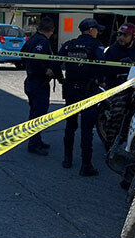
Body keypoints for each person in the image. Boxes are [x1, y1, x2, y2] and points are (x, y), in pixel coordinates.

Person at [57, 18, 106, 176]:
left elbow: (55, 61)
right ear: (91, 29)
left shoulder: (70, 44)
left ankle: (67, 159)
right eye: (96, 29)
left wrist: (61, 79)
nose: (97, 32)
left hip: (71, 89)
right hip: (88, 92)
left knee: (70, 126)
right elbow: (102, 63)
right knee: (87, 129)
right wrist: (102, 80)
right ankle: (86, 165)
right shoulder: (95, 44)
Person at [21, 17, 62, 156]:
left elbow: (22, 55)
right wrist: (45, 70)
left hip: (32, 81)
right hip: (38, 82)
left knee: (35, 113)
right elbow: (36, 59)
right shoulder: (42, 41)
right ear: (51, 30)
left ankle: (36, 139)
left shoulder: (33, 39)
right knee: (38, 115)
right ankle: (33, 143)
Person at [102, 22, 135, 151]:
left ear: (133, 36)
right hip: (118, 87)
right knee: (117, 113)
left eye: (125, 35)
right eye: (119, 34)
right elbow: (104, 68)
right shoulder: (112, 50)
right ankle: (109, 143)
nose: (121, 37)